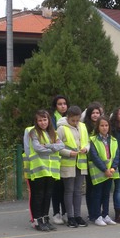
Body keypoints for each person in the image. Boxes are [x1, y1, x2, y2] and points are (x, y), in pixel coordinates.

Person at [24, 110, 64, 231]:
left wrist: (47, 146)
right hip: (39, 168)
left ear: (49, 120)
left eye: (45, 119)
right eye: (40, 120)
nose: (43, 122)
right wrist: (52, 147)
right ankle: (37, 220)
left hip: (51, 169)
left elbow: (61, 145)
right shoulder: (33, 132)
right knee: (39, 195)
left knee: (47, 195)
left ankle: (45, 219)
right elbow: (37, 148)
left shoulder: (53, 133)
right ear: (36, 121)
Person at [57, 105, 90, 228]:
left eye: (77, 120)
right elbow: (58, 147)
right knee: (69, 190)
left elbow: (87, 142)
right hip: (68, 163)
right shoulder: (61, 129)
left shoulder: (83, 126)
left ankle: (77, 215)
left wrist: (86, 149)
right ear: (68, 118)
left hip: (80, 162)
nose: (75, 123)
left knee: (78, 190)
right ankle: (70, 216)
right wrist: (69, 153)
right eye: (73, 121)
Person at [87, 116, 119, 226]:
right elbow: (95, 156)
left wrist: (113, 168)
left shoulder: (114, 140)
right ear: (97, 127)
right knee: (97, 194)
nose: (104, 128)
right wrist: (105, 169)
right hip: (99, 171)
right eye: (102, 125)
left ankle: (105, 214)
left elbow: (116, 155)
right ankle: (97, 216)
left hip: (110, 171)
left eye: (106, 125)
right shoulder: (93, 140)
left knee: (106, 194)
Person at [50, 95, 69, 225]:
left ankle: (66, 212)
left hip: (68, 157)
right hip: (56, 157)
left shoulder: (70, 119)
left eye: (64, 103)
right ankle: (56, 213)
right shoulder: (52, 118)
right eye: (59, 104)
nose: (63, 106)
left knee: (66, 187)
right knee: (56, 187)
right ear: (55, 106)